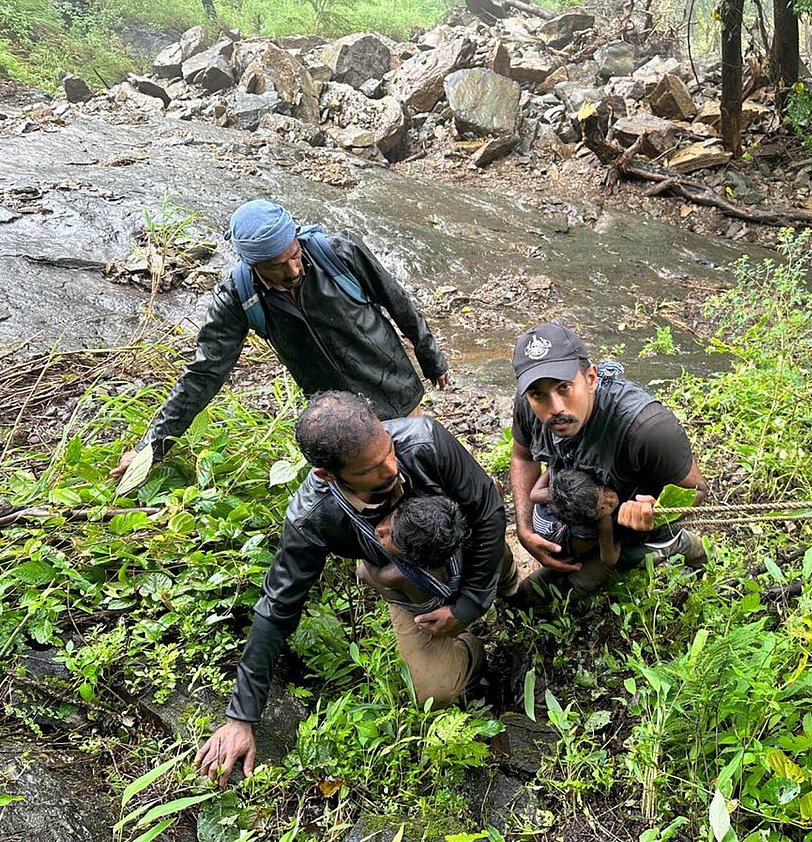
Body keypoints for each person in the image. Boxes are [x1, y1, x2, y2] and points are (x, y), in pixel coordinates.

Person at [195, 391, 513, 788]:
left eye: (389, 451)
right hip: (400, 578)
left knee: (498, 561)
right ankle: (472, 649)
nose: (392, 469)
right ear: (327, 475)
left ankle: (510, 586)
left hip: (458, 540)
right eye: (372, 469)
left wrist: (469, 604)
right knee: (435, 691)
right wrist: (240, 718)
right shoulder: (313, 519)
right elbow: (277, 608)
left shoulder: (424, 441)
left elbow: (487, 511)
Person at [111, 199, 449, 480]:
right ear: (252, 264)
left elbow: (398, 302)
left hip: (393, 388)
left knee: (423, 465)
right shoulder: (238, 299)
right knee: (373, 483)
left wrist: (430, 356)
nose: (291, 270)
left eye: (294, 254)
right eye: (276, 265)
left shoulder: (339, 253)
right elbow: (203, 375)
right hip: (336, 415)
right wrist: (149, 450)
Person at [509, 322, 708, 598]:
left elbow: (697, 490)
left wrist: (657, 512)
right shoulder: (528, 405)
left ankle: (685, 545)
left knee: (635, 555)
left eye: (564, 387)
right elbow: (522, 456)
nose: (555, 408)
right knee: (528, 600)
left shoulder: (647, 429)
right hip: (579, 519)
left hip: (627, 532)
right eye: (538, 394)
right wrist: (525, 529)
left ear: (591, 378)